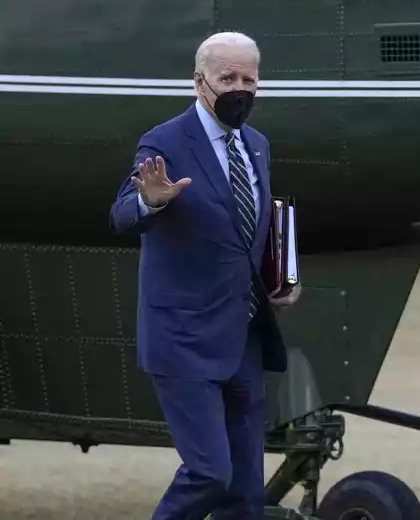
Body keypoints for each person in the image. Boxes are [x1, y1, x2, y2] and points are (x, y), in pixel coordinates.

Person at [109, 31, 300, 520]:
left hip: (242, 339)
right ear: (200, 83)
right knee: (210, 474)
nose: (240, 87)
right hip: (184, 338)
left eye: (249, 79)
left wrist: (278, 279)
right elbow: (123, 214)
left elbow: (244, 235)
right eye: (227, 78)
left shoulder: (256, 145)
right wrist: (151, 200)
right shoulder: (165, 141)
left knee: (243, 494)